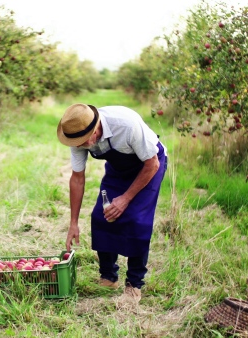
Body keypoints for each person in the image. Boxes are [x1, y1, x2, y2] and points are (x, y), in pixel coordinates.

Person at [57, 103, 167, 303]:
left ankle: (134, 284)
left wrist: (125, 199)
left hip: (149, 164)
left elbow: (152, 164)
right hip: (119, 169)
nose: (80, 146)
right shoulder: (77, 135)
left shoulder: (126, 126)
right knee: (101, 216)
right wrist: (73, 222)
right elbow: (77, 178)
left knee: (136, 220)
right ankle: (109, 276)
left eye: (83, 142)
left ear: (95, 128)